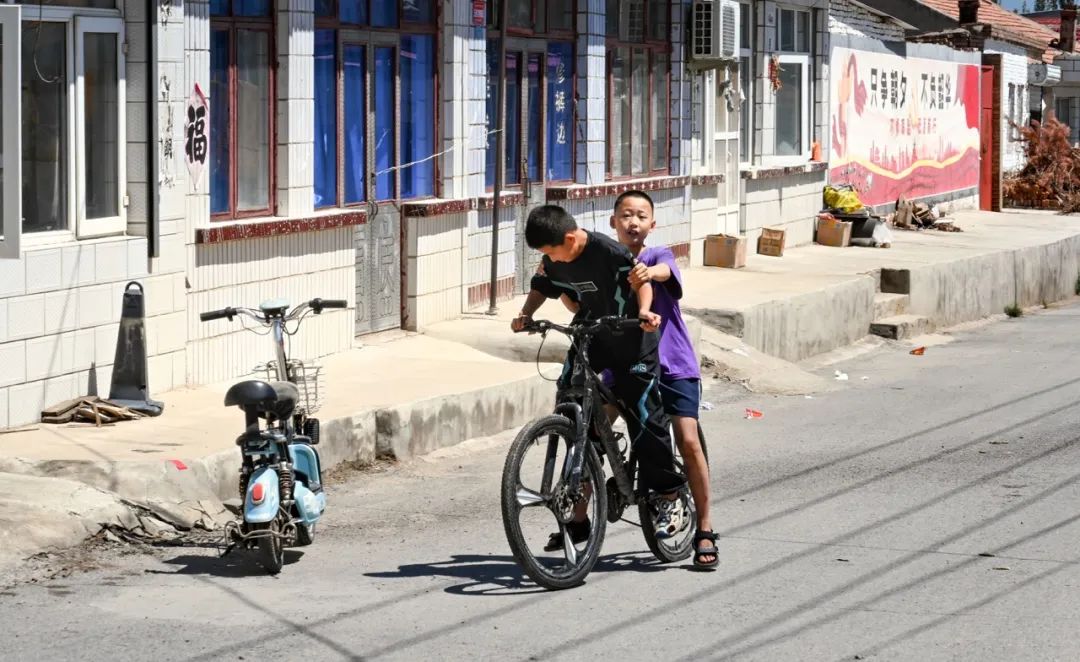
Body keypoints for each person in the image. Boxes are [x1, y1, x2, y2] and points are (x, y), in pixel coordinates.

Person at [511, 204, 689, 548]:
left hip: (632, 340)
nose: (550, 259)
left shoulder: (608, 251)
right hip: (591, 336)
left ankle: (669, 496)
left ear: (569, 239)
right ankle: (577, 519)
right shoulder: (554, 259)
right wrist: (525, 314)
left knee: (644, 418)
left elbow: (642, 282)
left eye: (551, 252)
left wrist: (644, 312)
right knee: (575, 418)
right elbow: (543, 286)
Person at [610, 190, 717, 570]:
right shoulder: (608, 261)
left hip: (673, 363)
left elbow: (666, 272)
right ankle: (578, 514)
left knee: (687, 440)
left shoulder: (658, 255)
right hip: (626, 362)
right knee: (592, 426)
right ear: (613, 222)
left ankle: (705, 528)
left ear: (652, 225)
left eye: (641, 216)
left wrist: (647, 272)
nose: (633, 222)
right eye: (626, 215)